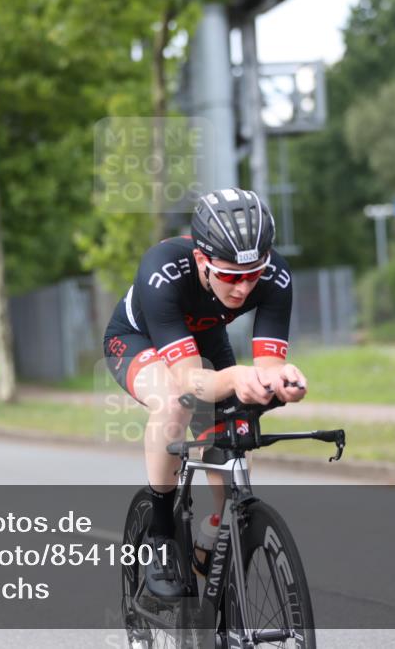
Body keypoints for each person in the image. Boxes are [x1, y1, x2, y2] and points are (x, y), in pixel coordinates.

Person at [103, 187, 308, 599]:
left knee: (233, 422)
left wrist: (281, 381)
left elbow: (265, 369)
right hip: (139, 339)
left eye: (253, 275)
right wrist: (235, 379)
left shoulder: (275, 275)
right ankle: (161, 538)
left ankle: (216, 526)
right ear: (201, 260)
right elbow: (191, 381)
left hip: (205, 335)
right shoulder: (161, 269)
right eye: (231, 276)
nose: (244, 289)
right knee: (175, 404)